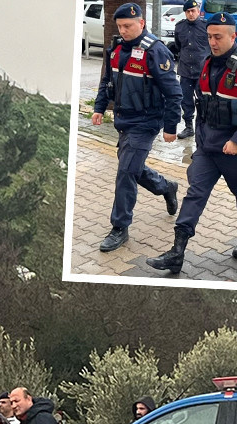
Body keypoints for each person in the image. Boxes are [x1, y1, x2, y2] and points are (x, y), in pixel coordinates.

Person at [148, 12, 237, 274]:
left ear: (233, 36)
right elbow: (203, 105)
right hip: (208, 147)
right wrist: (200, 139)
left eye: (218, 37)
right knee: (195, 194)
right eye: (209, 36)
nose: (212, 42)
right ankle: (177, 251)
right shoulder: (206, 62)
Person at [92, 2, 182, 252]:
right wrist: (99, 108)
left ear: (141, 23)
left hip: (145, 123)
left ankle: (120, 227)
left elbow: (174, 93)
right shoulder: (117, 49)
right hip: (123, 121)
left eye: (128, 26)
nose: (123, 30)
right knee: (132, 169)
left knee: (125, 173)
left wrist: (171, 126)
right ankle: (167, 187)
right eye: (120, 26)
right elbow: (106, 82)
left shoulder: (155, 51)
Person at [172, 0, 210, 139]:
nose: (191, 14)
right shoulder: (180, 27)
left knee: (204, 101)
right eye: (188, 12)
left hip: (202, 71)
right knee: (186, 100)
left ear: (198, 11)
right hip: (186, 70)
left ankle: (203, 128)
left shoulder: (206, 26)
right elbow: (178, 45)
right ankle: (189, 127)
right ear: (185, 13)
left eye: (193, 11)